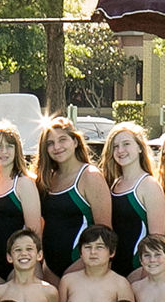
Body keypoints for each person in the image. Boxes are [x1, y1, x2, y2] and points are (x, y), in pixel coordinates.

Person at [36, 117, 111, 275]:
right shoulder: (47, 178)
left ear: (75, 142)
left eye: (62, 140)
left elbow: (105, 233)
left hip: (81, 269)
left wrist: (79, 270)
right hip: (50, 270)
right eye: (50, 143)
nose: (57, 147)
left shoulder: (90, 176)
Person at [0, 123, 41, 285]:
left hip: (20, 262)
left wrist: (31, 263)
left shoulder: (24, 183)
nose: (3, 151)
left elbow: (35, 231)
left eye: (9, 146)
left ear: (16, 150)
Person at [98, 123, 164, 276]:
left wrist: (145, 275)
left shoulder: (149, 185)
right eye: (115, 146)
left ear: (140, 147)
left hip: (138, 270)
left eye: (126, 144)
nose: (120, 150)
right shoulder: (113, 184)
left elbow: (157, 239)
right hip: (113, 269)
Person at [58, 226, 133, 302]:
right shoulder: (68, 281)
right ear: (80, 252)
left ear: (112, 252)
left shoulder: (120, 284)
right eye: (87, 247)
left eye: (99, 247)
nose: (93, 252)